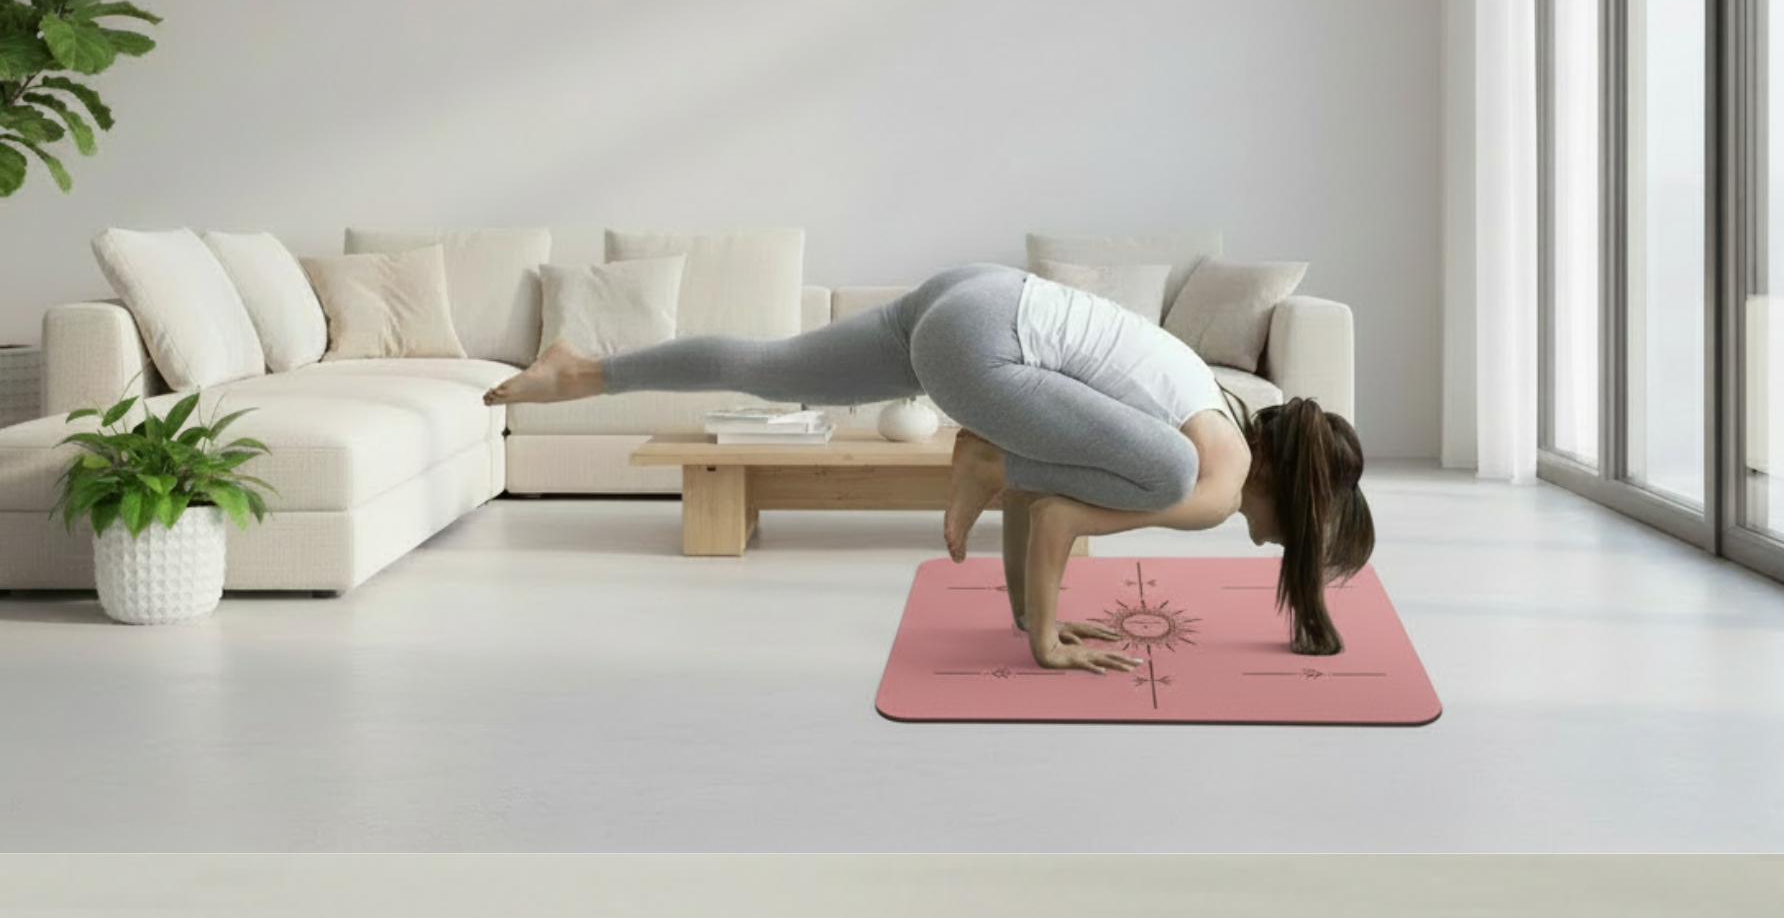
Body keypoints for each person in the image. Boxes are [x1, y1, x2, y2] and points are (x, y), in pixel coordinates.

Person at [483, 262, 1373, 674]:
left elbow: (1049, 493)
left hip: (975, 294)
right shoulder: (1211, 484)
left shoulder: (1214, 404)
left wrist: (1027, 612)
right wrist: (1045, 644)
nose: (1276, 548)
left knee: (773, 368)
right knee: (1152, 474)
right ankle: (984, 453)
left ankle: (584, 372)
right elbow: (1059, 516)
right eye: (1301, 537)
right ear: (1295, 500)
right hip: (982, 345)